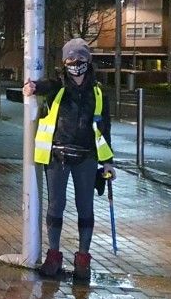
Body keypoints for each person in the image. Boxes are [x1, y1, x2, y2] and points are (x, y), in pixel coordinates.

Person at [23, 38, 115, 281]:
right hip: (57, 156)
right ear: (64, 62)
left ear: (88, 61)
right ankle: (53, 255)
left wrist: (108, 161)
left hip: (86, 157)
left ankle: (83, 259)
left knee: (85, 207)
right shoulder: (57, 87)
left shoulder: (98, 92)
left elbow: (105, 128)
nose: (76, 64)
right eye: (71, 59)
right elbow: (41, 85)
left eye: (81, 59)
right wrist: (31, 86)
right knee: (56, 205)